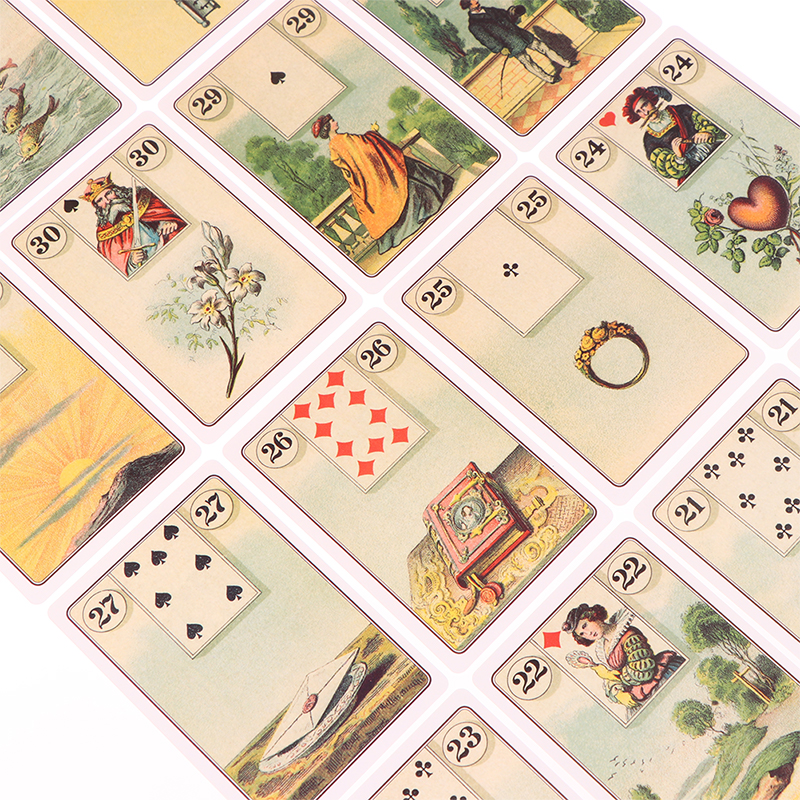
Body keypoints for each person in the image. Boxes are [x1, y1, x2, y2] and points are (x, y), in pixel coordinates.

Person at [311, 115, 454, 254]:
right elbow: (365, 148)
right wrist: (373, 132)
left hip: (365, 180)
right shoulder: (342, 140)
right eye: (332, 121)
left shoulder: (333, 147)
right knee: (403, 181)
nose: (335, 122)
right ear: (327, 127)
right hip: (372, 175)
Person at [562, 603, 685, 709]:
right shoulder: (603, 648)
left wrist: (612, 677)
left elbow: (642, 670)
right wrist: (616, 691)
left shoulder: (627, 635)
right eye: (582, 634)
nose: (588, 633)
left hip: (657, 678)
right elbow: (612, 676)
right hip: (634, 692)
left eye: (585, 625)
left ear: (594, 616)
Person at [81, 174, 187, 276]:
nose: (108, 201)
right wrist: (132, 262)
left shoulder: (143, 198)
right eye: (100, 200)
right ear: (97, 207)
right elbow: (116, 267)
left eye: (108, 193)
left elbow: (173, 215)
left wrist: (168, 222)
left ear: (116, 190)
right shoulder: (105, 234)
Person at [622, 86, 725, 184]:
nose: (645, 112)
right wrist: (678, 157)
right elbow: (663, 166)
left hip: (714, 150)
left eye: (644, 105)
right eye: (639, 111)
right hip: (693, 170)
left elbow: (711, 122)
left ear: (651, 100)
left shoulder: (681, 110)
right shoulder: (649, 139)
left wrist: (707, 132)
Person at [459, 0, 576, 84]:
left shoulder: (489, 10)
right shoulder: (474, 25)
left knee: (544, 47)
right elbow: (487, 40)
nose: (477, 1)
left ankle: (566, 63)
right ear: (469, 5)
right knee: (528, 61)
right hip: (510, 44)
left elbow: (506, 15)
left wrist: (514, 12)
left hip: (521, 34)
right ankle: (550, 79)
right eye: (474, 1)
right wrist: (500, 49)